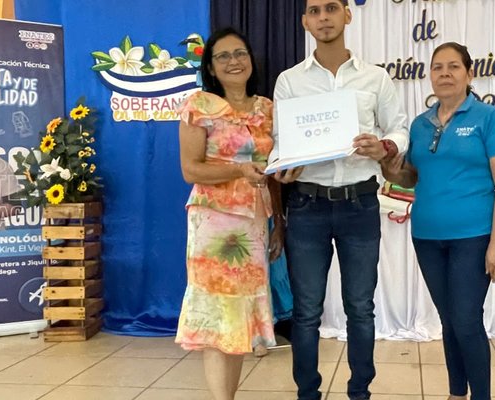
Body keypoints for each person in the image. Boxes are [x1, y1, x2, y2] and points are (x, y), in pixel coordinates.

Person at [271, 1, 409, 399]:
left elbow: (399, 130)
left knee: (360, 309)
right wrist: (284, 166)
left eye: (332, 8)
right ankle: (307, 393)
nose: (324, 17)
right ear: (304, 21)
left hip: (359, 204)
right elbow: (281, 143)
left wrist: (383, 146)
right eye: (315, 10)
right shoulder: (290, 81)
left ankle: (359, 392)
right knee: (306, 312)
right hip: (306, 205)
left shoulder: (376, 79)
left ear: (348, 15)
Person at [381, 42, 495, 400]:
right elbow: (411, 177)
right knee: (449, 320)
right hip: (426, 236)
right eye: (437, 67)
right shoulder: (420, 125)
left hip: (474, 236)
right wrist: (388, 167)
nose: (444, 74)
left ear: (469, 74)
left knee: (467, 319)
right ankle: (457, 394)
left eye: (453, 67)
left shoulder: (488, 118)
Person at [175, 27, 284, 400]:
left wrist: (278, 224)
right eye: (223, 56)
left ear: (251, 59)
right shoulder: (199, 105)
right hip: (213, 223)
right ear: (210, 66)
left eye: (240, 53)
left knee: (237, 321)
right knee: (217, 315)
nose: (234, 61)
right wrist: (238, 170)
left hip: (254, 222)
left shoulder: (267, 108)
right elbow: (191, 170)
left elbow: (275, 171)